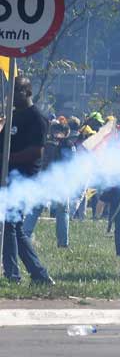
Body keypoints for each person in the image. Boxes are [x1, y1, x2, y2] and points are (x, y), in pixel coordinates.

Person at [0, 76, 55, 285]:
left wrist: (8, 159)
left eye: (17, 92)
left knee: (10, 224)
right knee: (13, 226)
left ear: (28, 92)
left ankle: (13, 275)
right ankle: (39, 274)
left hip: (24, 178)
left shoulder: (37, 118)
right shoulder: (13, 117)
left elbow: (36, 152)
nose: (11, 97)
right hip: (8, 177)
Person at [23, 121, 76, 247]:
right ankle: (63, 243)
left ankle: (24, 235)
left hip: (44, 180)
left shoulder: (46, 143)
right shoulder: (69, 144)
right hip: (61, 182)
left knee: (36, 209)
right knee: (62, 212)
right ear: (66, 132)